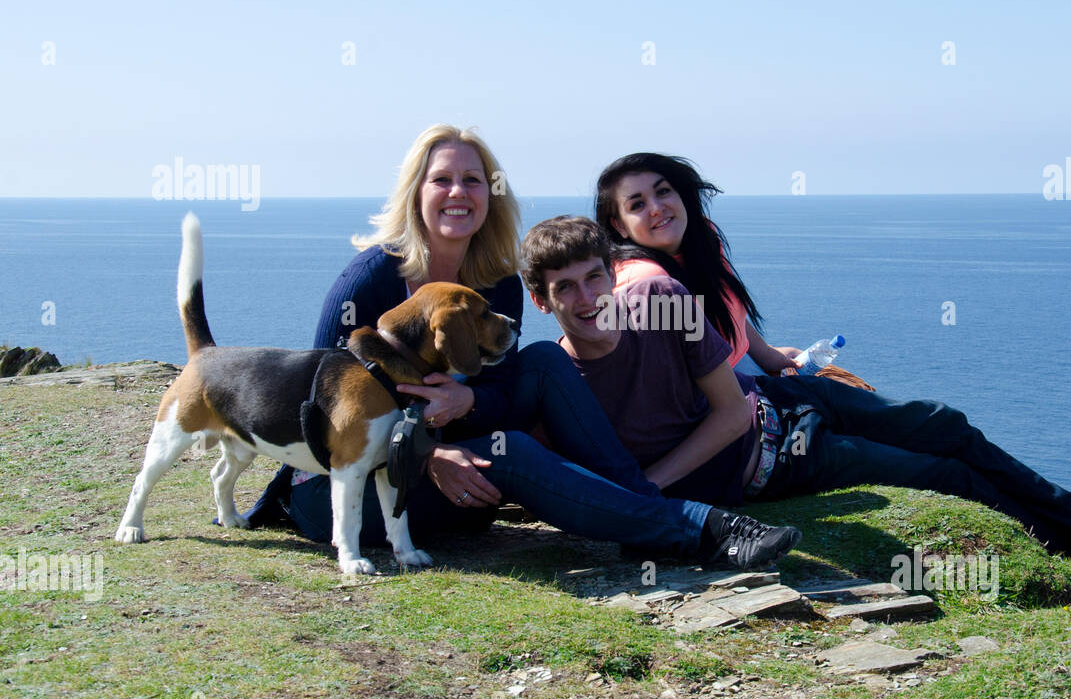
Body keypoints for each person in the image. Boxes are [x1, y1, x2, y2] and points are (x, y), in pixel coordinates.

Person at [521, 215, 1071, 590]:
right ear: (540, 300)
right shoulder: (559, 389)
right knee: (946, 477)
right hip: (776, 466)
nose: (588, 300)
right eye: (566, 289)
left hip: (780, 401)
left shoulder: (660, 302)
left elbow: (730, 408)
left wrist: (650, 484)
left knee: (945, 425)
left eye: (594, 278)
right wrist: (647, 494)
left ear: (615, 273)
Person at [242, 125, 800, 569]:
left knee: (546, 360)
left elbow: (505, 389)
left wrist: (470, 405)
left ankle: (641, 507)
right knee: (511, 455)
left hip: (450, 466)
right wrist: (429, 454)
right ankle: (698, 528)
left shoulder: (496, 282)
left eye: (474, 179)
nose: (459, 192)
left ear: (492, 193)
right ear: (416, 192)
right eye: (442, 180)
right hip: (344, 485)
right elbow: (318, 415)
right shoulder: (367, 282)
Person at [594, 152, 799, 376]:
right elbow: (666, 379)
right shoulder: (649, 280)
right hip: (711, 395)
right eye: (637, 205)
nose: (656, 208)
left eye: (663, 191)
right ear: (619, 226)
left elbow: (721, 308)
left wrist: (767, 355)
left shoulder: (701, 238)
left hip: (737, 366)